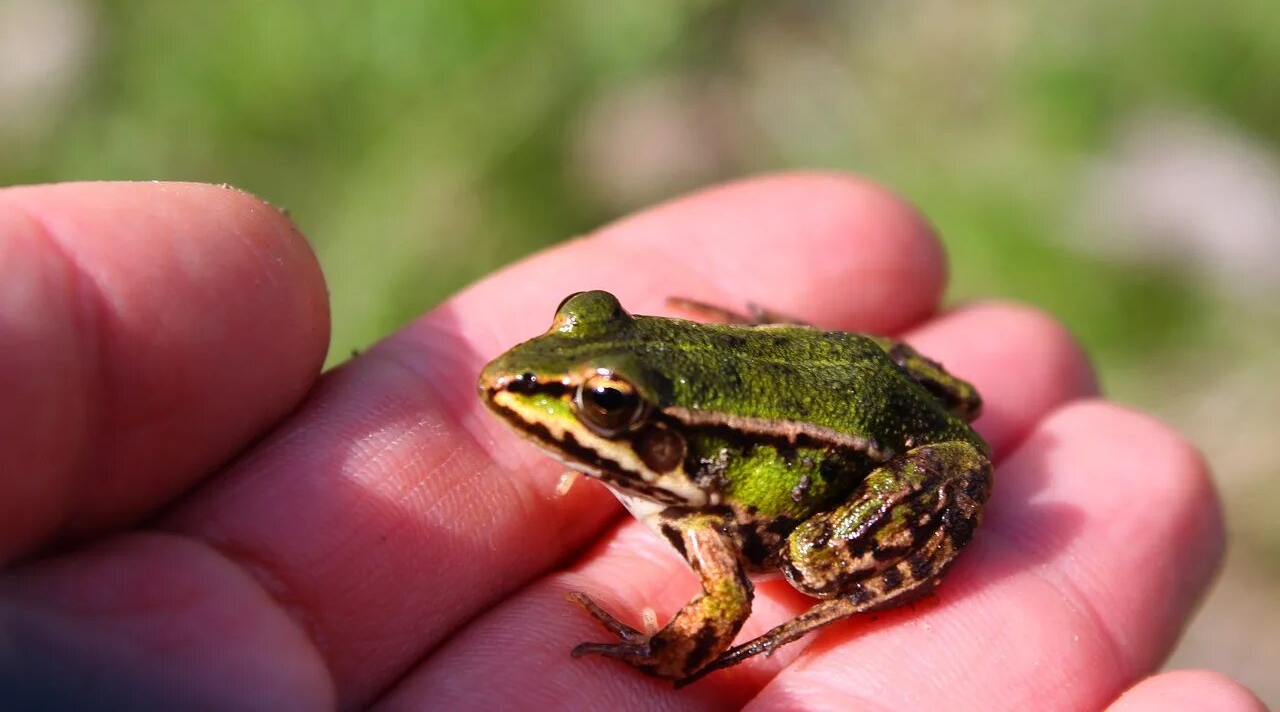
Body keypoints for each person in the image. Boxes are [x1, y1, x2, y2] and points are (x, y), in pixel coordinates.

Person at [0, 175, 1263, 710]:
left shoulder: (709, 511)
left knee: (808, 569)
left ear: (646, 424)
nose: (542, 393)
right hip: (858, 380)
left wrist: (668, 660)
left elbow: (718, 601)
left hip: (868, 458)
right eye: (582, 365)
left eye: (602, 404)